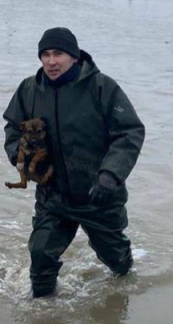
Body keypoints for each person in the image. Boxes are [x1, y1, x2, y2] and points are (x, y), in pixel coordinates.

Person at [3, 27, 145, 298]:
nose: (51, 61)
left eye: (58, 54)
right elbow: (12, 127)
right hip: (53, 196)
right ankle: (44, 312)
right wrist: (17, 156)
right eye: (45, 54)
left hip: (99, 196)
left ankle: (123, 283)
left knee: (118, 265)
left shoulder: (102, 87)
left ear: (75, 57)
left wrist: (111, 175)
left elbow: (130, 132)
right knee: (40, 255)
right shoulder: (29, 89)